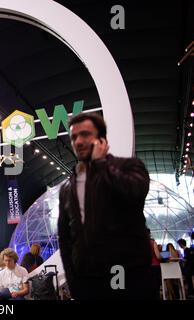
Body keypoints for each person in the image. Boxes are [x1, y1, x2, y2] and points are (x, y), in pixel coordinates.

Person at [58, 112, 154, 300]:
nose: (78, 142)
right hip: (87, 281)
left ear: (101, 139)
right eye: (73, 137)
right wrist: (73, 281)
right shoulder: (67, 187)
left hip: (126, 274)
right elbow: (65, 238)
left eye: (85, 134)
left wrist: (100, 164)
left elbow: (135, 192)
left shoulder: (129, 166)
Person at [149, 231, 162, 300]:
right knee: (156, 287)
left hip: (146, 267)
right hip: (155, 266)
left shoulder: (140, 243)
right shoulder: (153, 242)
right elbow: (158, 256)